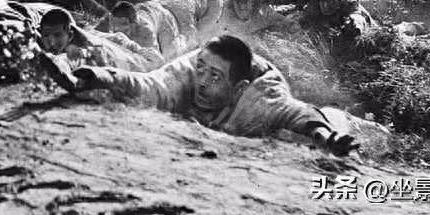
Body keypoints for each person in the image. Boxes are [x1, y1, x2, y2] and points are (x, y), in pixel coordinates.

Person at [55, 35, 358, 156]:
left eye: (214, 77)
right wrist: (93, 77)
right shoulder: (190, 71)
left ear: (237, 88)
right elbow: (149, 85)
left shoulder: (258, 98)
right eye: (201, 70)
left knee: (336, 117)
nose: (201, 82)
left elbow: (296, 113)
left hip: (328, 118)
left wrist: (328, 137)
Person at [109, 0, 224, 60]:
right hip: (164, 5)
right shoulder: (114, 24)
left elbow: (156, 61)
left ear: (133, 22)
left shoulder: (146, 30)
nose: (117, 29)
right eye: (114, 25)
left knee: (173, 54)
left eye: (123, 25)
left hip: (169, 17)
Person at [213, 0, 300, 38]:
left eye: (245, 2)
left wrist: (292, 26)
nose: (242, 6)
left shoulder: (263, 10)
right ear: (232, 1)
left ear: (252, 2)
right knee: (284, 9)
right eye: (238, 2)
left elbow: (288, 23)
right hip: (258, 6)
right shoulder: (222, 9)